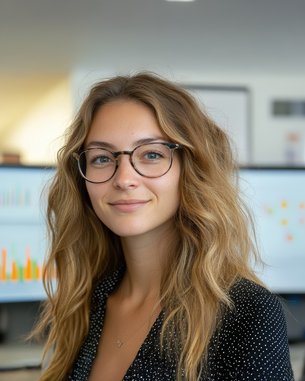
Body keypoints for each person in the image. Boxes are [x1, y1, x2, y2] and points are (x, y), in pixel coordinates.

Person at [35, 72, 294, 381]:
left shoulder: (247, 314)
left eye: (152, 154)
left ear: (190, 169)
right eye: (102, 158)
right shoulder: (86, 301)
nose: (124, 178)